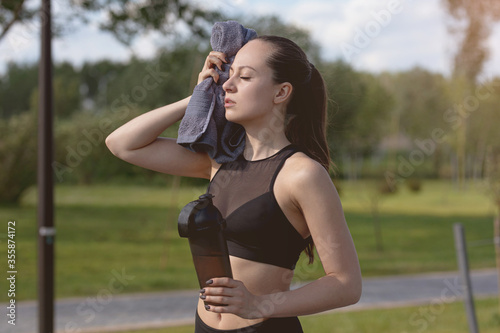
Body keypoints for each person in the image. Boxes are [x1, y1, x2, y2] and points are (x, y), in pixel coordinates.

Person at [106, 35, 362, 333]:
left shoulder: (302, 174)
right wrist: (201, 94)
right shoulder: (219, 161)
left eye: (245, 77)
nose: (228, 84)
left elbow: (346, 284)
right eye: (229, 75)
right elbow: (122, 144)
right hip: (204, 326)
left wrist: (258, 305)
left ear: (281, 92)